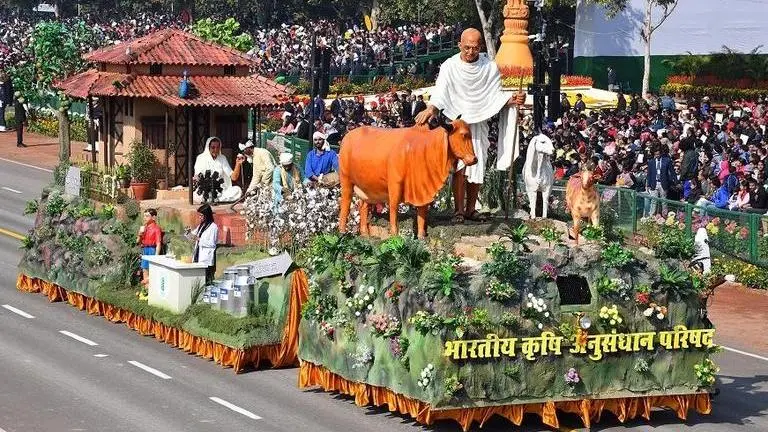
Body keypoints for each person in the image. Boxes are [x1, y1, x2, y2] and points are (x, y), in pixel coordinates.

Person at [414, 28, 526, 223]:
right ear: (459, 45)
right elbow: (441, 92)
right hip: (458, 126)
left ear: (480, 47)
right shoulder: (449, 66)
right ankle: (458, 210)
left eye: (474, 48)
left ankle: (471, 209)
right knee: (460, 167)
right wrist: (431, 109)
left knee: (478, 164)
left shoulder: (489, 67)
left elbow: (494, 97)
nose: (470, 52)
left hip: (479, 123)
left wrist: (512, 99)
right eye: (466, 47)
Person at [192, 136, 242, 203]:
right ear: (208, 147)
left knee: (237, 190)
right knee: (197, 196)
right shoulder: (201, 158)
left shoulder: (222, 158)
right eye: (213, 147)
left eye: (218, 147)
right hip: (206, 190)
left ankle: (214, 200)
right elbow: (197, 176)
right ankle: (213, 200)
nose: (216, 150)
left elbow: (233, 177)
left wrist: (238, 164)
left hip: (220, 191)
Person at [645, 145, 678, 217]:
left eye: (658, 154)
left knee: (664, 201)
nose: (657, 156)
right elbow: (649, 174)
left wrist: (676, 182)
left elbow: (672, 172)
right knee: (654, 201)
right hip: (654, 183)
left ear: (661, 153)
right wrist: (647, 185)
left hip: (663, 183)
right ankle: (651, 217)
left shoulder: (667, 161)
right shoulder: (651, 162)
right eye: (656, 154)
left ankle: (665, 216)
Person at [191, 204, 218, 283]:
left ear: (207, 215)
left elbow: (212, 243)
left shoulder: (213, 227)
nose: (200, 217)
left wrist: (199, 239)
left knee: (205, 281)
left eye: (201, 215)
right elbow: (193, 235)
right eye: (199, 215)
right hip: (198, 255)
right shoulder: (201, 225)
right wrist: (188, 234)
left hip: (206, 258)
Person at [137, 208, 162, 286]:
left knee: (151, 269)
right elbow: (137, 242)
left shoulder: (156, 229)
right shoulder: (144, 228)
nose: (145, 218)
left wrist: (156, 256)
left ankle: (151, 288)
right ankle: (145, 289)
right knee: (144, 269)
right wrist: (140, 235)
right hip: (145, 249)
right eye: (144, 216)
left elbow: (158, 243)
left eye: (147, 216)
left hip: (152, 249)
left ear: (153, 217)